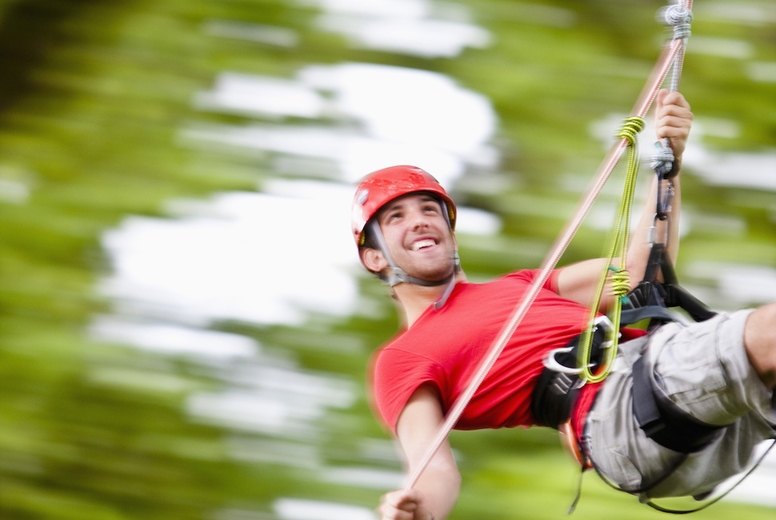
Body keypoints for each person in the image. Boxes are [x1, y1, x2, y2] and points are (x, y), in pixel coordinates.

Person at [350, 90, 776, 520]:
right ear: (375, 258)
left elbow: (644, 267)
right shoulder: (403, 359)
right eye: (396, 217)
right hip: (621, 413)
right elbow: (432, 467)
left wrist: (670, 163)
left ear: (450, 231)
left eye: (429, 209)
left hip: (674, 416)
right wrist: (415, 509)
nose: (421, 219)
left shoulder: (525, 287)